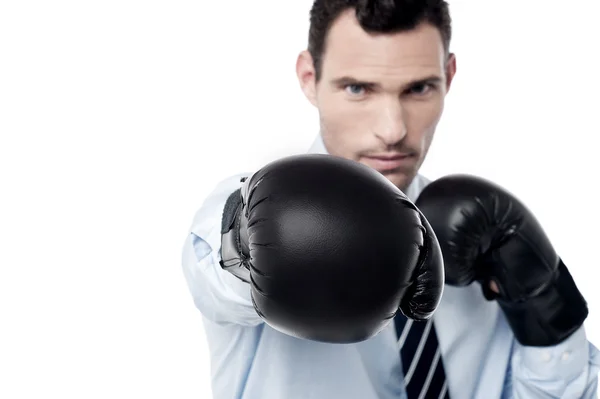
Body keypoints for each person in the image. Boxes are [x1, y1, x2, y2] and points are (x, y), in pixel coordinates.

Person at [181, 1, 600, 398]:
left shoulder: (481, 235)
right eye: (358, 88)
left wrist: (549, 313)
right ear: (310, 78)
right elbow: (213, 277)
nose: (392, 129)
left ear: (448, 77)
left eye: (418, 88)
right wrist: (264, 239)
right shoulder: (247, 211)